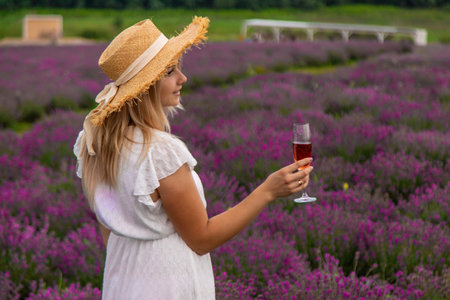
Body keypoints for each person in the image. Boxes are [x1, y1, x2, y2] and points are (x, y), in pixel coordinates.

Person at [73, 16, 314, 300]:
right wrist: (267, 191)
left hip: (122, 281)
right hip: (167, 287)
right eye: (170, 71)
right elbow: (202, 238)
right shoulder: (160, 152)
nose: (182, 78)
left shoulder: (93, 143)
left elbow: (110, 229)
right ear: (146, 87)